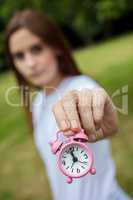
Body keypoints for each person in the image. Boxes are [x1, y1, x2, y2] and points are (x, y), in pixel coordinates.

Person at [5, 9, 131, 200]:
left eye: (37, 49)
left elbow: (88, 97)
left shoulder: (81, 87)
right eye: (19, 56)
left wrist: (97, 110)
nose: (30, 63)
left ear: (55, 46)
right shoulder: (38, 103)